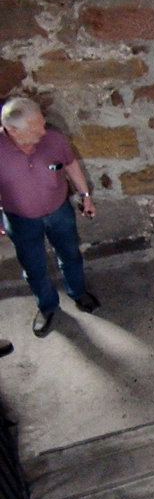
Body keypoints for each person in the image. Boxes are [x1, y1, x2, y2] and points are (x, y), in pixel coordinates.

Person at [0, 97, 100, 337]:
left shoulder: (53, 138)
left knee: (70, 254)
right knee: (33, 266)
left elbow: (71, 165)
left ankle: (78, 292)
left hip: (59, 211)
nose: (43, 132)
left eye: (42, 125)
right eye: (35, 130)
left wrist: (85, 196)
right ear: (12, 130)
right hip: (20, 219)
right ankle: (47, 306)